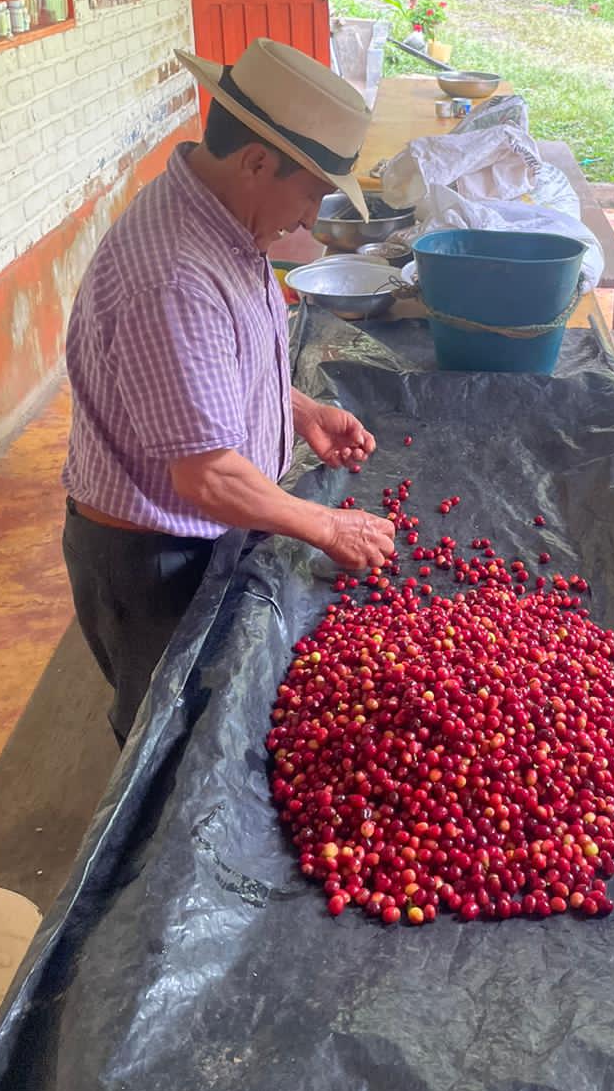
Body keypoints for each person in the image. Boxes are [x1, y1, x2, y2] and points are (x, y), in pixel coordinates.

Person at [62, 38, 397, 744]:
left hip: (189, 529)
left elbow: (204, 377)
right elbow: (208, 475)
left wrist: (296, 409)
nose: (310, 220)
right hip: (152, 559)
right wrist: (329, 528)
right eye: (311, 193)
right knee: (165, 745)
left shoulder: (220, 216)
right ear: (255, 161)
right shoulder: (176, 274)